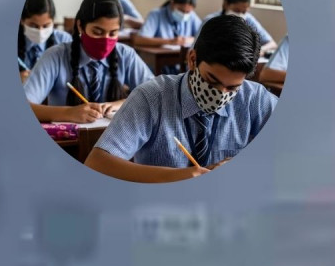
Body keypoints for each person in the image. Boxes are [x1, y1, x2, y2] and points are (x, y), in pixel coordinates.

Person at [86, 14, 277, 183]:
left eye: (232, 88)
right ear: (192, 59)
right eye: (212, 81)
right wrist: (178, 177)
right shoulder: (152, 97)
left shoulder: (254, 98)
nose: (221, 94)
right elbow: (96, 164)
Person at [23, 0, 154, 125]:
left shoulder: (125, 54)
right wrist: (68, 113)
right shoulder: (55, 56)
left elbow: (156, 95)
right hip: (70, 137)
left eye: (113, 33)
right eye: (97, 32)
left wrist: (122, 104)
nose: (105, 40)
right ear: (80, 26)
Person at [201, 0, 278, 55]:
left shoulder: (248, 20)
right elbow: (197, 49)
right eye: (236, 10)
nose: (240, 15)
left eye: (244, 12)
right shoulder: (210, 21)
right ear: (226, 4)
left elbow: (272, 44)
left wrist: (258, 51)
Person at [135, 0, 202, 56]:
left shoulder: (192, 16)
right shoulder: (156, 15)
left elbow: (203, 37)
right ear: (172, 3)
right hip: (161, 59)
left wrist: (189, 40)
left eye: (187, 12)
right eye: (181, 10)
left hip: (182, 59)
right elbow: (139, 40)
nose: (184, 14)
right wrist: (170, 41)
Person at [18, 0, 72, 78]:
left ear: (53, 21)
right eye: (33, 26)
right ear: (22, 20)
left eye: (46, 26)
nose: (40, 31)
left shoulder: (64, 41)